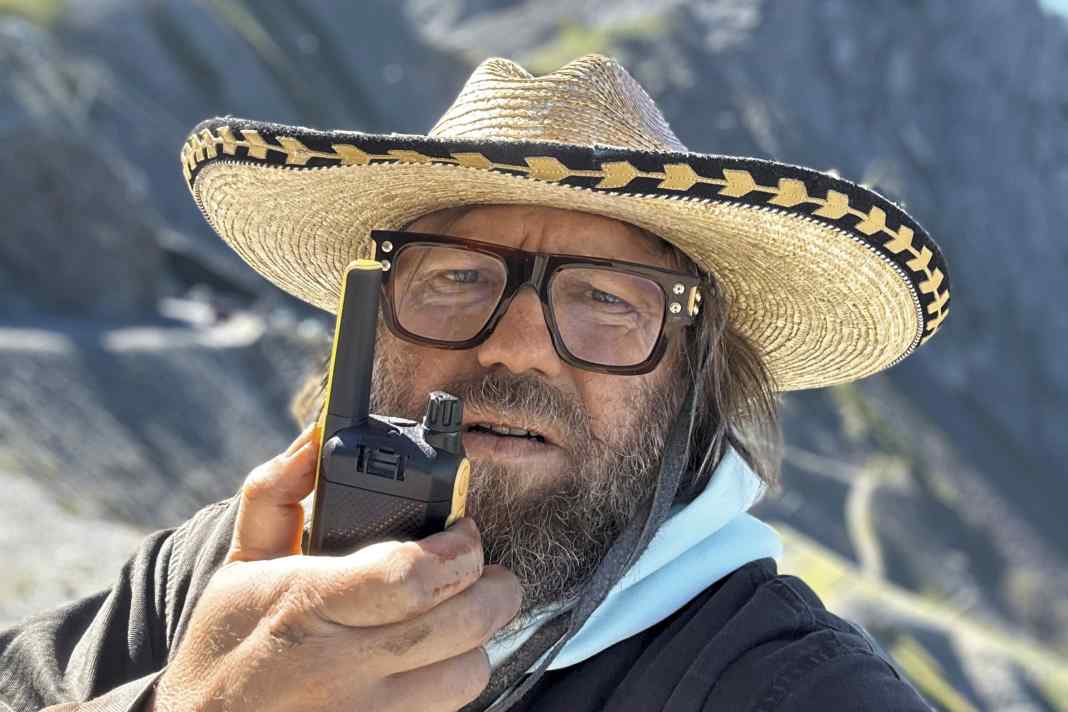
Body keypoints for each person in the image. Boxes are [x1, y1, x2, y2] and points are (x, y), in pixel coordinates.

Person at [0, 54, 949, 711]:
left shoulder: (788, 693)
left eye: (608, 300)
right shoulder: (216, 577)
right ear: (368, 330)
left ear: (694, 384)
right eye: (456, 277)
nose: (517, 345)